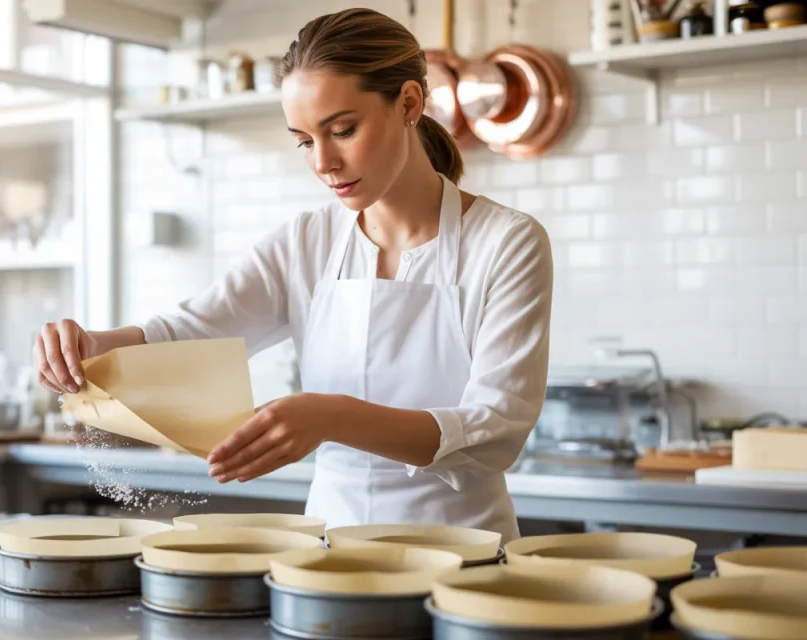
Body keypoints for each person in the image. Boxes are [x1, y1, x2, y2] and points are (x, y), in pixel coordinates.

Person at [33, 8, 553, 541]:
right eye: (304, 140)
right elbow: (193, 329)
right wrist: (92, 344)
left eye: (343, 130)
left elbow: (494, 432)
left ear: (409, 103)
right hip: (329, 555)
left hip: (464, 552)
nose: (323, 162)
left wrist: (332, 417)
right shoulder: (307, 241)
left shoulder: (507, 242)